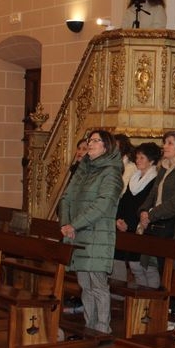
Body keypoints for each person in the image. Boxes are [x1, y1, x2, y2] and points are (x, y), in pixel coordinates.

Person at [59, 129, 123, 334]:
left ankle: (103, 328)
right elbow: (66, 199)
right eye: (90, 140)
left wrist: (74, 225)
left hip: (97, 235)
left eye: (96, 141)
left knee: (97, 284)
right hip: (77, 234)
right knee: (84, 284)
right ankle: (89, 325)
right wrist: (66, 224)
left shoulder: (111, 172)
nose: (91, 143)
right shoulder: (83, 169)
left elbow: (102, 205)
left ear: (106, 147)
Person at [138, 131, 175, 266]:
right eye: (164, 143)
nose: (165, 146)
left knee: (166, 270)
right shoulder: (163, 167)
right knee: (151, 268)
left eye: (170, 143)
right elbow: (153, 193)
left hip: (171, 226)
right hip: (155, 223)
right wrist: (143, 211)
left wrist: (151, 214)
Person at [115, 142, 162, 288]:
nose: (138, 160)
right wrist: (119, 220)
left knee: (144, 267)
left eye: (142, 157)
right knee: (134, 268)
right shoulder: (134, 178)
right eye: (137, 157)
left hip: (141, 227)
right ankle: (139, 303)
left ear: (152, 160)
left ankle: (150, 301)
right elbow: (125, 202)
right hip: (125, 226)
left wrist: (133, 224)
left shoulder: (155, 179)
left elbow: (147, 204)